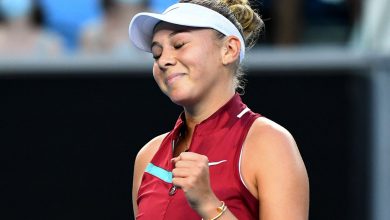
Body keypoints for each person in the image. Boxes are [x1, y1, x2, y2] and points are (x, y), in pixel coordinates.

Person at [128, 0, 309, 219]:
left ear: (229, 50)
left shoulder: (270, 143)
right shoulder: (147, 157)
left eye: (179, 45)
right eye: (156, 54)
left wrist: (208, 203)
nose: (164, 61)